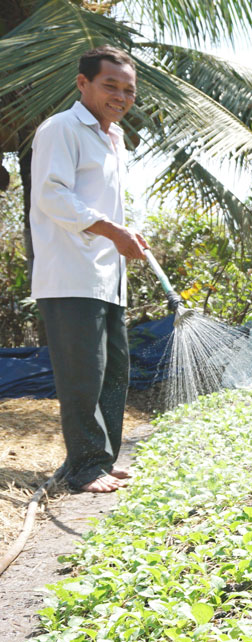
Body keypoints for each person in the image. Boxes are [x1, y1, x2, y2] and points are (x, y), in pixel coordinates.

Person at [30, 45, 147, 493]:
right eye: (110, 85)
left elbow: (99, 205)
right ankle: (82, 467)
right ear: (83, 84)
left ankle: (102, 458)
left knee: (113, 371)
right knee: (82, 373)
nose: (120, 96)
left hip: (107, 277)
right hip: (70, 276)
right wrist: (113, 231)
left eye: (128, 90)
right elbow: (52, 196)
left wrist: (124, 236)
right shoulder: (62, 128)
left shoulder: (113, 139)